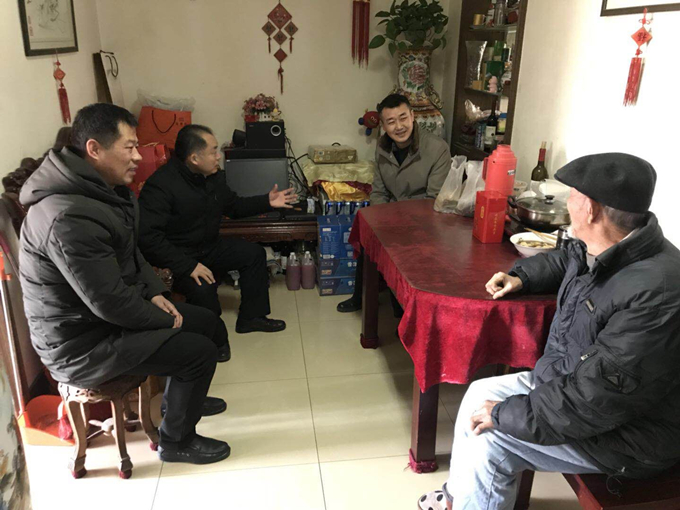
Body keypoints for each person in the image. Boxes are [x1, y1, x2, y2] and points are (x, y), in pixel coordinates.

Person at [418, 153, 680, 510]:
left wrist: (505, 414)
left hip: (629, 434)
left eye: (572, 195)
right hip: (573, 386)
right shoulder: (613, 245)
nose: (567, 202)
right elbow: (565, 259)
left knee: (490, 438)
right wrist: (521, 277)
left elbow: (596, 399)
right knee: (480, 393)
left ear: (590, 209)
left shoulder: (657, 294)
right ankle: (458, 498)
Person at [19, 103, 231, 465]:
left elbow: (133, 253)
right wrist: (164, 318)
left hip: (104, 319)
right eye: (129, 147)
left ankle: (183, 401)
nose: (138, 156)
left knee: (206, 322)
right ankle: (176, 442)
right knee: (198, 352)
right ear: (94, 149)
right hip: (82, 345)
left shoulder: (105, 190)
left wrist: (156, 293)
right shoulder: (68, 216)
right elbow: (109, 302)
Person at [138, 124, 296, 339]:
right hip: (180, 256)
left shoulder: (212, 177)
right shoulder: (161, 185)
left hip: (210, 247)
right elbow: (148, 238)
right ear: (194, 158)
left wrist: (267, 201)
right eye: (213, 152)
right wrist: (188, 265)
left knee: (253, 254)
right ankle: (214, 339)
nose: (218, 157)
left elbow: (234, 206)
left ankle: (252, 318)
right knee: (204, 291)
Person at [337, 93, 451, 313]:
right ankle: (361, 295)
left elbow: (433, 199)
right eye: (391, 121)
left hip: (424, 223)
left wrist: (401, 225)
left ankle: (402, 304)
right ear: (383, 125)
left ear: (412, 116)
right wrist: (383, 224)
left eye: (403, 118)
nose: (399, 127)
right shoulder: (382, 147)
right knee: (368, 235)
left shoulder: (437, 148)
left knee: (404, 250)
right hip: (390, 218)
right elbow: (379, 191)